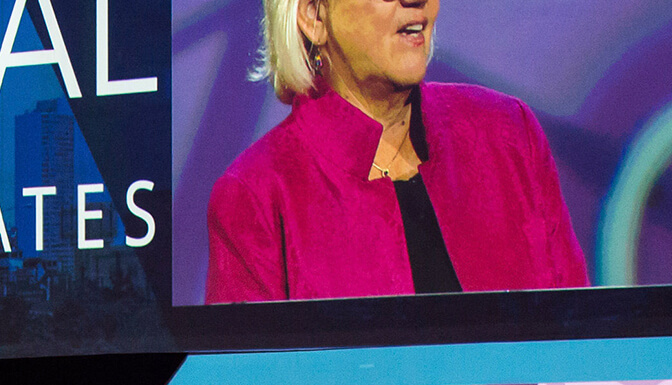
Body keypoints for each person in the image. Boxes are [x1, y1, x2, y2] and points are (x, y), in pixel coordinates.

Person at [204, 0, 587, 304]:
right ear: (314, 16)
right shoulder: (255, 196)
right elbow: (248, 377)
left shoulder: (508, 135)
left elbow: (583, 340)